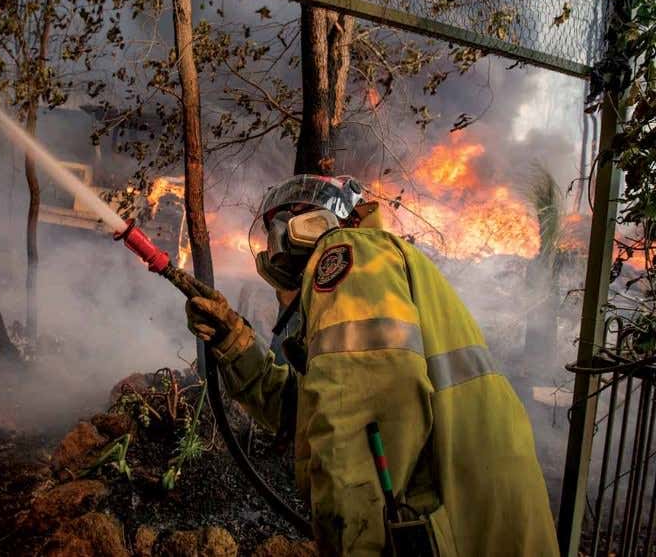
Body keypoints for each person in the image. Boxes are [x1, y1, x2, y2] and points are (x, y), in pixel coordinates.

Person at [185, 174, 558, 557]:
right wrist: (234, 345)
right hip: (473, 508)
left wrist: (352, 545)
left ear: (307, 224)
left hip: (458, 521)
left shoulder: (346, 254)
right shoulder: (377, 263)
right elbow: (311, 412)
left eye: (278, 228)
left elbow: (358, 419)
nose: (274, 245)